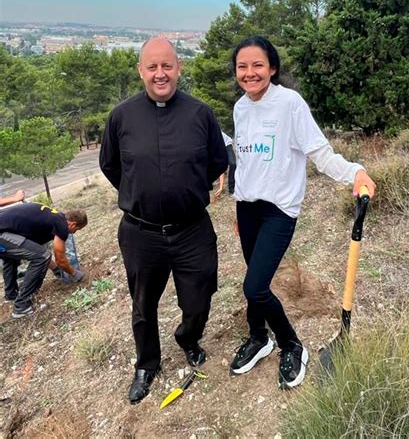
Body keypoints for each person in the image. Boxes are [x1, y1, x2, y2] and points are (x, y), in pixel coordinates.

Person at [229, 36, 376, 389]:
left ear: (273, 68)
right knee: (256, 280)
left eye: (258, 65)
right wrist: (239, 203)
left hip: (279, 209)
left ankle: (291, 344)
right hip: (248, 208)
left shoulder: (289, 104)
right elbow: (245, 161)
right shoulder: (240, 107)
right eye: (242, 67)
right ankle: (258, 336)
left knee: (255, 285)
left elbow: (319, 152)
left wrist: (354, 172)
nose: (250, 73)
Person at [99, 37, 228, 405]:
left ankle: (188, 337)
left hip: (192, 230)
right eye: (152, 67)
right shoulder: (121, 116)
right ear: (141, 71)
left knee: (200, 298)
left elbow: (217, 163)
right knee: (143, 305)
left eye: (167, 66)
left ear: (179, 67)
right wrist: (142, 193)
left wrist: (184, 192)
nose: (160, 74)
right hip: (141, 233)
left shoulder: (200, 114)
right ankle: (147, 364)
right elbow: (110, 165)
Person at [0, 203, 87, 317]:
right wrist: (74, 274)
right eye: (77, 229)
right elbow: (59, 258)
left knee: (11, 258)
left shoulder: (49, 219)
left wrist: (56, 270)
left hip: (4, 229)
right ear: (73, 224)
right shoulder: (61, 224)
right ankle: (22, 306)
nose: (74, 232)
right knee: (42, 256)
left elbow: (37, 252)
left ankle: (11, 296)